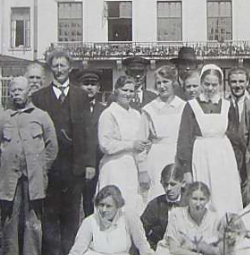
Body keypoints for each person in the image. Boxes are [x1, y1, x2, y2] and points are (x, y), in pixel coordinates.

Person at [0, 76, 58, 255]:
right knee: (9, 220)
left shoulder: (41, 116)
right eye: (13, 90)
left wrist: (41, 168)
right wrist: (3, 167)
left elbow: (52, 146)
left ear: (29, 92)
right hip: (10, 178)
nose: (16, 94)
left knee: (33, 220)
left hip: (34, 177)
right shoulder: (3, 117)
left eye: (20, 90)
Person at [31, 50, 92, 255]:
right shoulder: (39, 97)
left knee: (72, 213)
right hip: (50, 166)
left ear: (70, 68)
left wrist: (89, 164)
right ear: (51, 69)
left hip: (74, 165)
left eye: (62, 66)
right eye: (55, 66)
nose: (59, 70)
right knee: (50, 212)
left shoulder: (81, 96)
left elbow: (87, 132)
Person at [37, 185, 154, 255]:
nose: (103, 210)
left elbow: (143, 246)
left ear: (118, 206)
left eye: (109, 206)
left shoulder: (129, 219)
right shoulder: (90, 222)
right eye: (101, 205)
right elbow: (76, 251)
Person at [175, 65, 243, 215]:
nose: (210, 88)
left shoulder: (227, 106)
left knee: (226, 197)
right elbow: (184, 140)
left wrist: (237, 167)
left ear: (220, 85)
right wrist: (186, 170)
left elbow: (235, 139)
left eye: (214, 84)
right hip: (201, 157)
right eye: (207, 84)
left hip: (225, 159)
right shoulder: (191, 106)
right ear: (201, 83)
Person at [153, 182, 225, 255]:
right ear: (188, 198)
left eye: (202, 199)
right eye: (194, 199)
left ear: (207, 200)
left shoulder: (213, 218)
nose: (198, 203)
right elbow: (173, 248)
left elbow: (216, 246)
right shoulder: (177, 215)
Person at [98, 76, 151, 216]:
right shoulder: (108, 114)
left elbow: (141, 139)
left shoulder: (136, 114)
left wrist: (145, 144)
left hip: (133, 166)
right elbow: (105, 144)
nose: (128, 94)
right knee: (114, 205)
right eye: (124, 90)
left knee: (132, 206)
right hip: (115, 166)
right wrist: (131, 145)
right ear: (116, 90)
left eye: (131, 91)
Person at [139, 64, 187, 201]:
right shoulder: (149, 109)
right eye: (158, 83)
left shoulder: (184, 106)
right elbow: (140, 143)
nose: (162, 86)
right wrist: (142, 169)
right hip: (156, 158)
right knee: (158, 194)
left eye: (165, 82)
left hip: (178, 157)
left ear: (173, 83)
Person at [79, 66, 105, 217]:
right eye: (86, 83)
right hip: (76, 163)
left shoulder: (104, 110)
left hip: (98, 161)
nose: (89, 87)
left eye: (93, 84)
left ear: (99, 87)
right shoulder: (72, 109)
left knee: (94, 199)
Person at [140, 164, 187, 249]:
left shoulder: (190, 203)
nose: (169, 188)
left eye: (173, 184)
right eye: (166, 184)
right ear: (161, 182)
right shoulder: (155, 205)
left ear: (183, 183)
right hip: (159, 249)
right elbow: (140, 231)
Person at [226, 67, 250, 187]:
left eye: (241, 81)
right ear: (229, 83)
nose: (237, 85)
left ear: (247, 83)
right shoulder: (223, 105)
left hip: (249, 156)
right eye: (234, 82)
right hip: (229, 156)